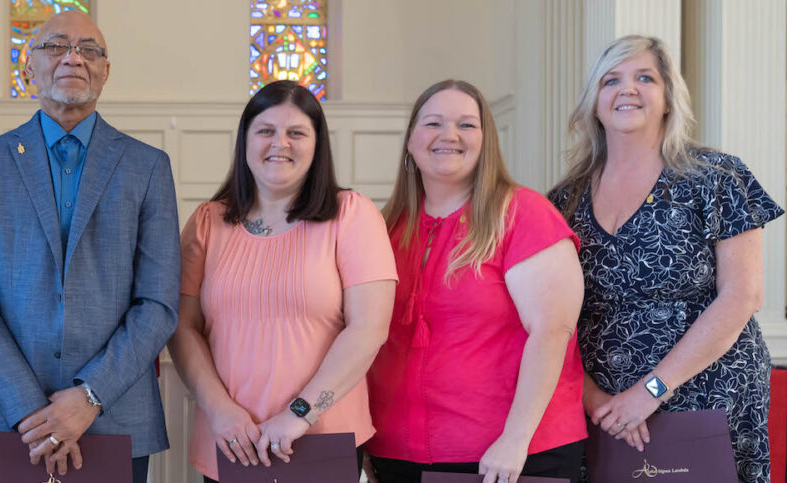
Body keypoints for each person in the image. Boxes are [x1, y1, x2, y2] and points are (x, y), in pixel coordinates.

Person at [0, 11, 180, 483]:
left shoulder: (148, 167)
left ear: (105, 70)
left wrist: (89, 397)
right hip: (13, 420)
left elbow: (157, 302)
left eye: (89, 49)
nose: (74, 57)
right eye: (56, 46)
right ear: (28, 66)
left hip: (116, 414)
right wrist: (32, 409)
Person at [548, 35, 784, 482]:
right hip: (604, 407)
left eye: (645, 78)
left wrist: (651, 391)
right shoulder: (563, 199)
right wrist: (594, 398)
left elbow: (742, 295)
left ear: (668, 97)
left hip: (708, 389)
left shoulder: (716, 177)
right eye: (611, 80)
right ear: (594, 103)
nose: (627, 89)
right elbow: (552, 315)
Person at [167, 80, 398, 482]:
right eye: (266, 131)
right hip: (230, 438)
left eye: (296, 132)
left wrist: (299, 414)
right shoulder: (207, 222)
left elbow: (369, 329)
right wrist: (220, 409)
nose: (280, 143)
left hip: (321, 434)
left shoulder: (351, 215)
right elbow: (183, 327)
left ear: (316, 144)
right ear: (245, 141)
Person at [365, 80, 587, 483]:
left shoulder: (523, 212)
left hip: (506, 457)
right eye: (433, 123)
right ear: (411, 142)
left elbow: (552, 331)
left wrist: (515, 440)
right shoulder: (386, 227)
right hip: (399, 453)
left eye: (467, 125)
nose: (449, 135)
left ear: (486, 143)